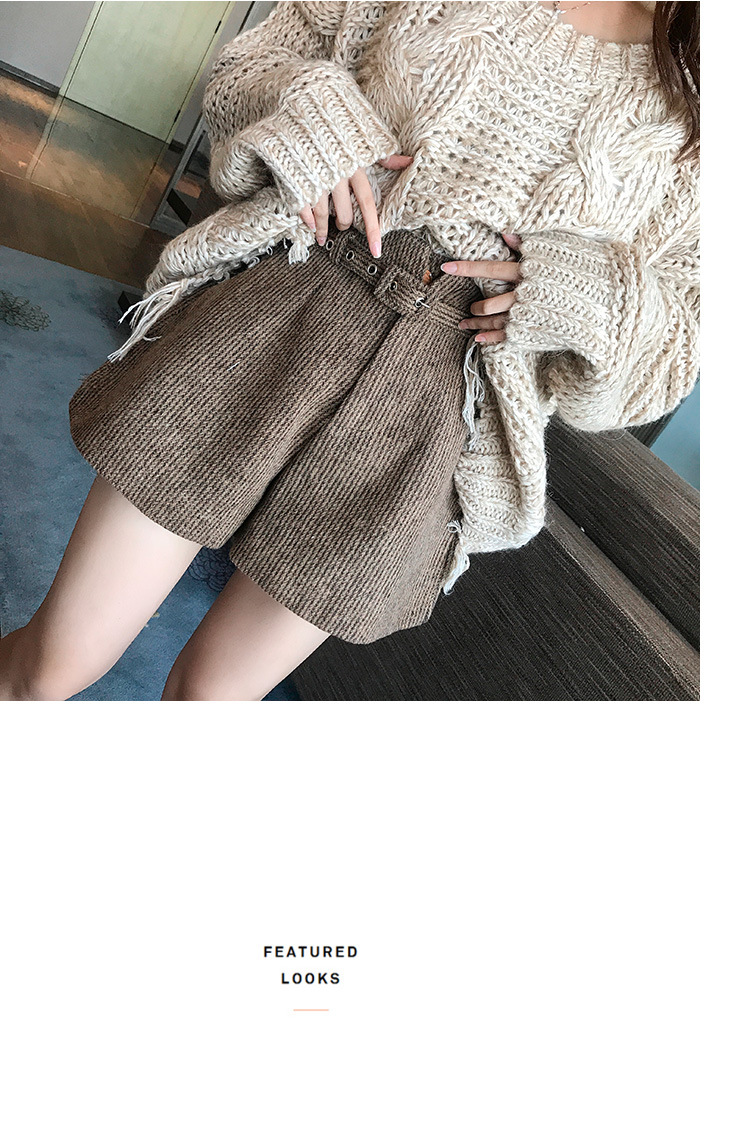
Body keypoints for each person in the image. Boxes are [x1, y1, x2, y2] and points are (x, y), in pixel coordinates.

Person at [0, 1, 700, 702]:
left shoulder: (706, 101)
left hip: (436, 411)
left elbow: (671, 354)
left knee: (209, 702)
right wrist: (313, 120)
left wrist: (591, 294)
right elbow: (252, 66)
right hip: (288, 306)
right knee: (53, 665)